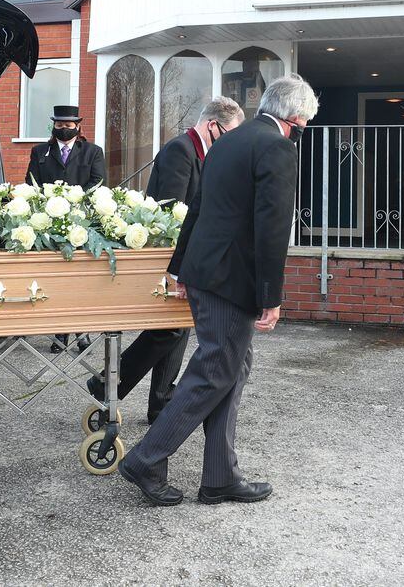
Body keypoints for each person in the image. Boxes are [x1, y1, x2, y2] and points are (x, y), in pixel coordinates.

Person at [118, 74, 316, 506]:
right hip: (232, 280)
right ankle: (146, 458)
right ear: (297, 116)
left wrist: (179, 268)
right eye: (306, 120)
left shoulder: (227, 141)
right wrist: (272, 296)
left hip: (206, 272)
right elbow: (272, 227)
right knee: (215, 370)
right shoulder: (277, 147)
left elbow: (197, 210)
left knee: (233, 366)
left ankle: (220, 476)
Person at [87, 97, 245, 423]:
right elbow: (172, 212)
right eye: (229, 133)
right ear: (213, 125)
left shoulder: (201, 152)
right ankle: (109, 384)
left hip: (187, 257)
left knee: (176, 329)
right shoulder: (180, 151)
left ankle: (159, 402)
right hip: (171, 258)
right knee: (170, 330)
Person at [26, 105, 107, 353]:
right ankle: (59, 334)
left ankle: (82, 333)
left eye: (68, 125)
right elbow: (31, 182)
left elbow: (98, 181)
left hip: (81, 224)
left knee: (80, 280)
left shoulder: (92, 151)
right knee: (57, 279)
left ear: (77, 126)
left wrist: (72, 198)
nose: (63, 129)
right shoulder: (40, 151)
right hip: (50, 223)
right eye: (59, 125)